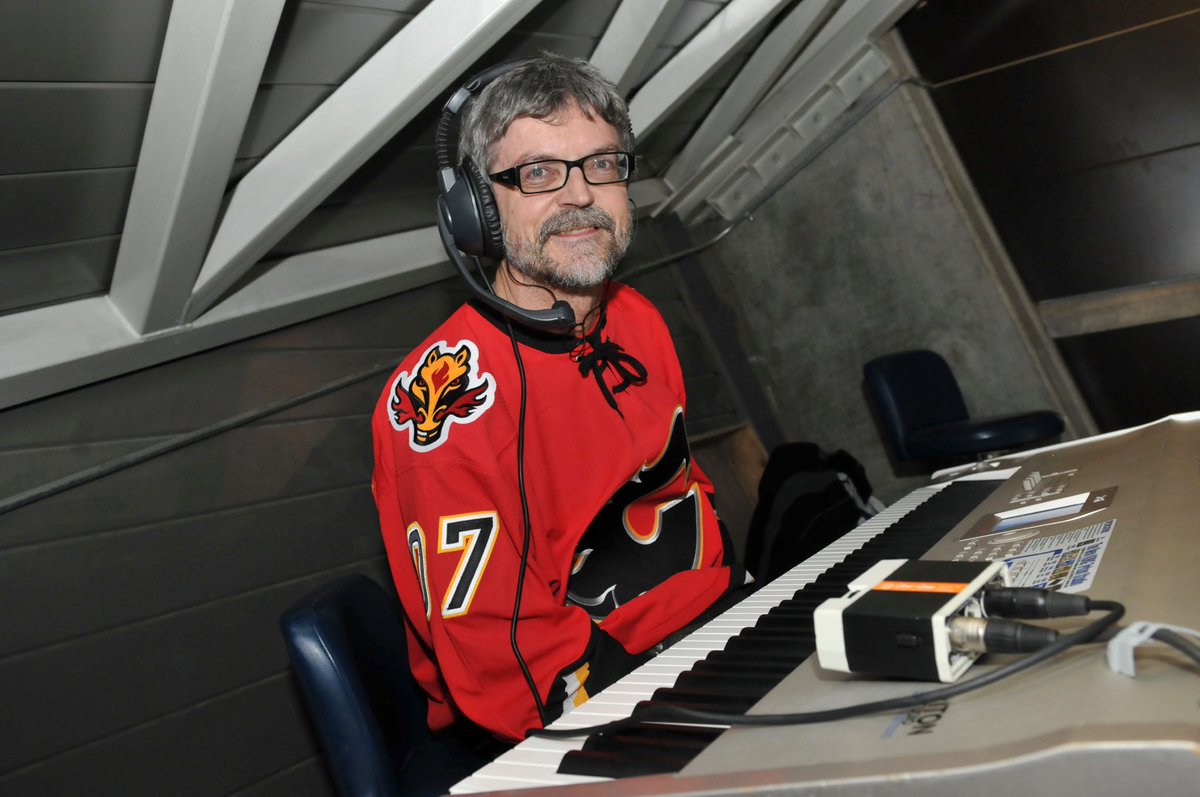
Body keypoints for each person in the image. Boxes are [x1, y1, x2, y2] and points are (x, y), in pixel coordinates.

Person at [371, 53, 747, 742]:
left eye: (602, 164)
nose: (580, 196)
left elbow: (681, 490)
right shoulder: (447, 403)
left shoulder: (635, 316)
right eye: (538, 172)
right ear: (478, 211)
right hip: (587, 703)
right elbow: (506, 667)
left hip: (712, 627)